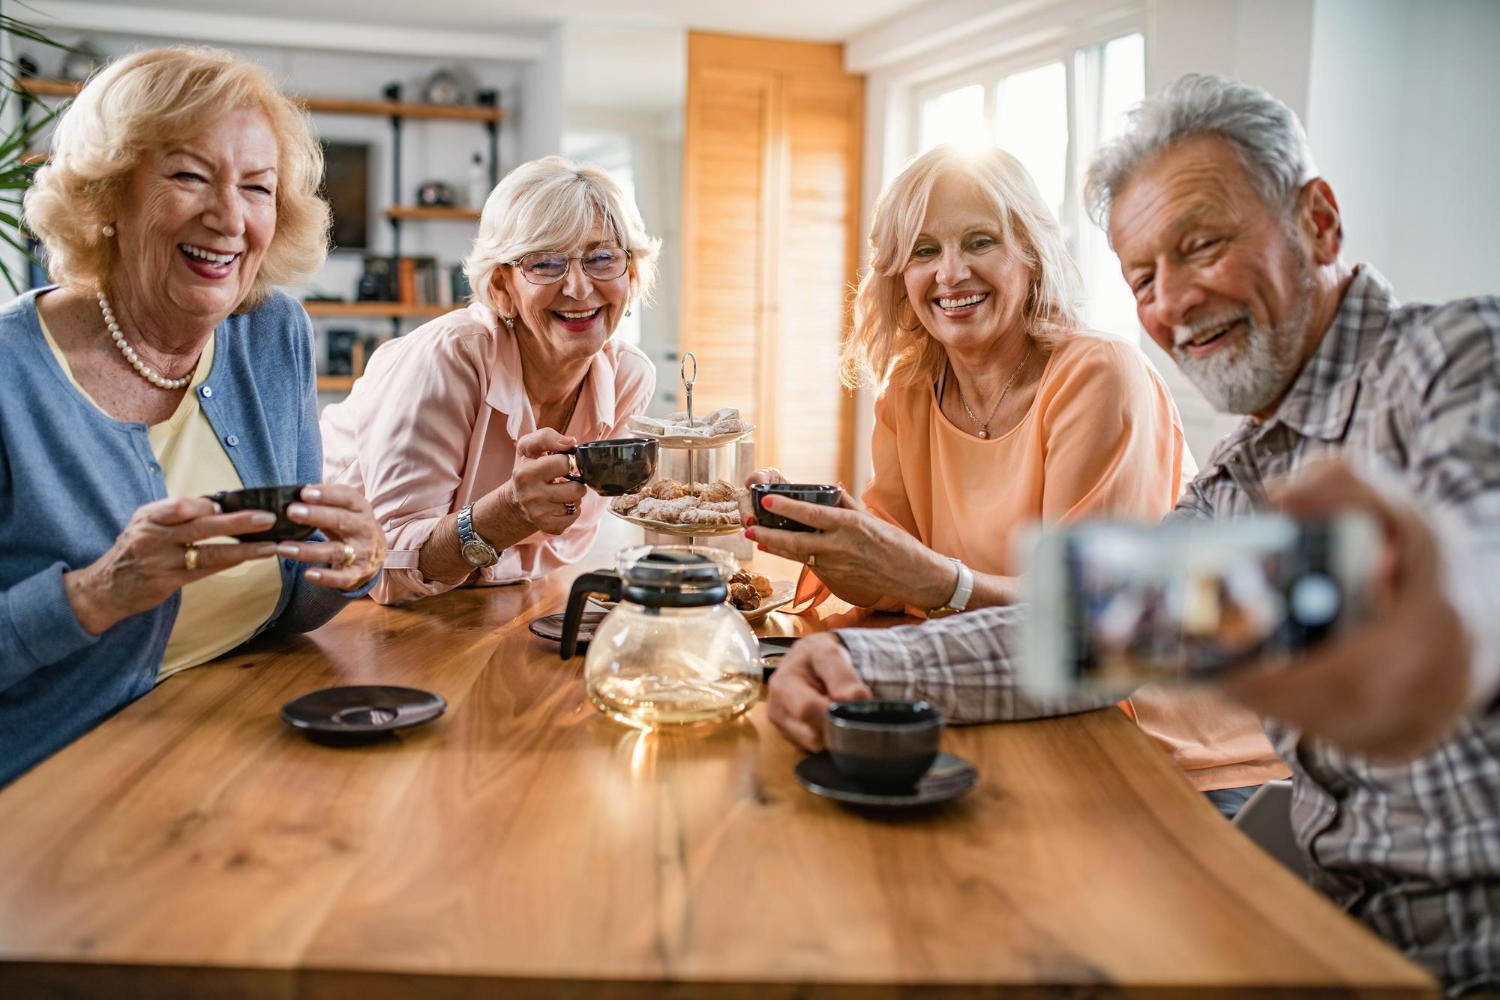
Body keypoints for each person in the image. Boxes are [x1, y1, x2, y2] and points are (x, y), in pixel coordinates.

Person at [766, 74, 1500, 995]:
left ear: (1317, 220)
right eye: (1143, 276)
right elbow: (1092, 627)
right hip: (1335, 914)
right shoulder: (1246, 471)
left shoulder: (1457, 358)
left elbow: (1469, 574)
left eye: (1201, 247)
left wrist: (1400, 601)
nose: (1174, 303)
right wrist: (867, 670)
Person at [743, 143, 1286, 814]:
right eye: (922, 251)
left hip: (1167, 747)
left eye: (979, 242)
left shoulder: (1097, 375)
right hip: (1012, 708)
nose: (950, 273)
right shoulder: (910, 389)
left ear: (1029, 255)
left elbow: (1093, 623)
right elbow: (888, 590)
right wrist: (830, 539)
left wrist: (938, 582)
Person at [1, 48, 386, 787]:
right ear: (108, 194)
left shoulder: (271, 334)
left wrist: (346, 566)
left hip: (232, 740)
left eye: (257, 187)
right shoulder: (10, 373)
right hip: (49, 780)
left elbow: (285, 600)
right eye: (188, 175)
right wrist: (95, 593)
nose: (230, 217)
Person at [320, 157, 659, 604]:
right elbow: (385, 571)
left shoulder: (629, 378)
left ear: (631, 276)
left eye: (602, 258)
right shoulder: (449, 356)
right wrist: (507, 516)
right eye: (545, 263)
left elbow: (553, 549)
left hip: (483, 603)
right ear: (502, 286)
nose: (578, 287)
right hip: (326, 598)